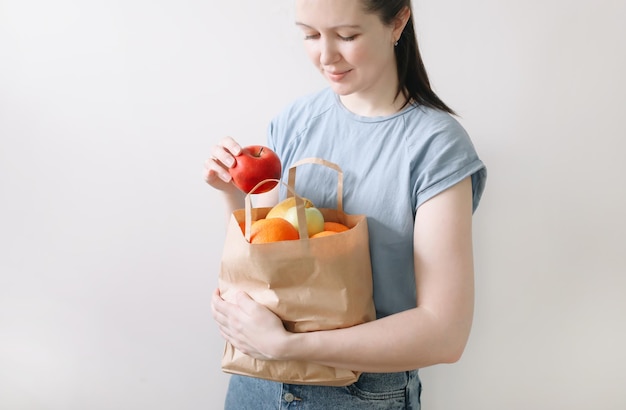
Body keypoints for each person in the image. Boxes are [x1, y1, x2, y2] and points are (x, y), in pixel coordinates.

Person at [204, 0, 487, 408]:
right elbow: (265, 254)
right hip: (257, 381)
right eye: (310, 35)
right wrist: (229, 190)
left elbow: (445, 333)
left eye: (347, 36)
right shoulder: (295, 120)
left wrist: (287, 345)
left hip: (358, 393)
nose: (325, 56)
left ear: (398, 22)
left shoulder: (436, 147)